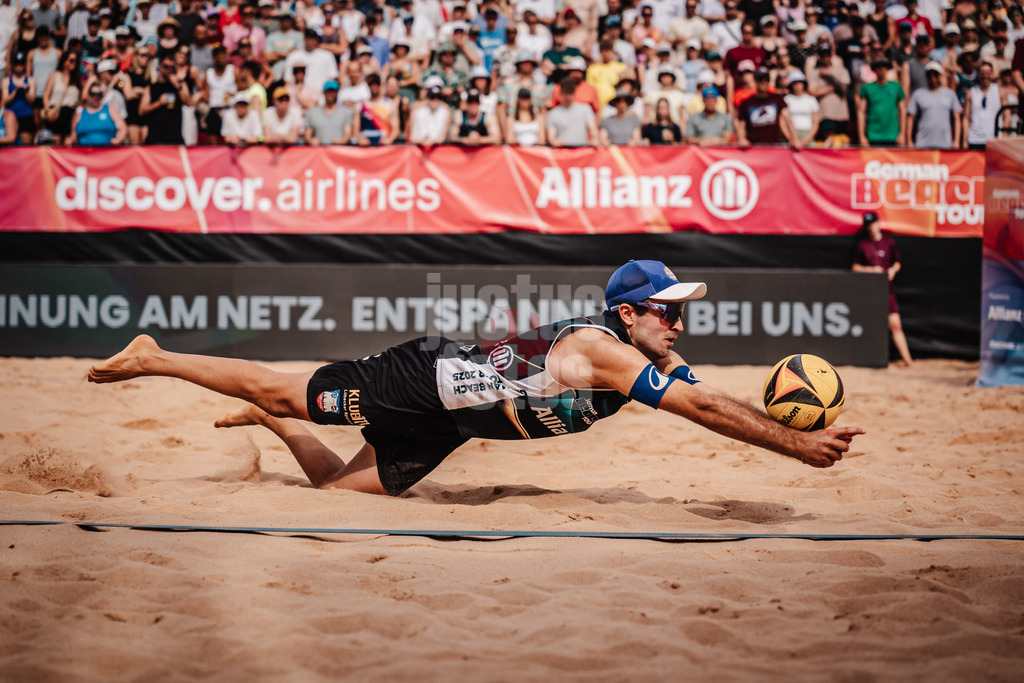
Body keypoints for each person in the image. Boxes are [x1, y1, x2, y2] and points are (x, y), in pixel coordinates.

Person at [87, 259, 863, 497]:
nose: (680, 323)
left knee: (334, 497)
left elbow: (697, 384)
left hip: (451, 424)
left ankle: (281, 431)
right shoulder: (607, 350)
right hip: (420, 380)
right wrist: (796, 449)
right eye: (668, 311)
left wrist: (795, 426)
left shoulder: (648, 352)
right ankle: (155, 354)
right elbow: (700, 406)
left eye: (682, 312)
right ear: (629, 314)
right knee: (279, 385)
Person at [852, 214, 913, 367]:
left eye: (873, 223)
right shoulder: (863, 245)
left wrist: (893, 269)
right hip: (871, 291)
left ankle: (908, 361)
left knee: (895, 325)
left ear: (878, 224)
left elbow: (897, 263)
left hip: (887, 291)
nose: (871, 227)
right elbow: (855, 267)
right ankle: (869, 360)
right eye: (868, 224)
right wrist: (871, 270)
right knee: (870, 327)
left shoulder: (889, 242)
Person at [906, 60, 961, 149]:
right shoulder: (918, 94)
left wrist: (956, 140)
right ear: (926, 76)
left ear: (940, 76)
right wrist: (909, 140)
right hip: (923, 143)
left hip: (945, 144)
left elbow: (956, 118)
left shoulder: (950, 94)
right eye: (929, 75)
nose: (933, 78)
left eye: (935, 75)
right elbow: (910, 118)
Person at [856, 57, 905, 146]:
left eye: (884, 66)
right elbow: (860, 112)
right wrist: (862, 136)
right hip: (873, 136)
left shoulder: (896, 87)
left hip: (893, 136)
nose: (881, 69)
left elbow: (902, 110)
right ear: (874, 69)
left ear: (887, 68)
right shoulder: (867, 88)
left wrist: (902, 133)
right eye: (878, 66)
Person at [962, 61, 1006, 150]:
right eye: (982, 73)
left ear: (992, 74)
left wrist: (1004, 135)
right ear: (978, 74)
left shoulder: (1000, 91)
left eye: (988, 73)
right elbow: (966, 118)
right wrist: (964, 140)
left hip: (995, 138)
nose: (985, 76)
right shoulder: (971, 92)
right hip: (975, 139)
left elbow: (1007, 115)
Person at [546, 76, 599, 147]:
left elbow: (593, 129)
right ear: (561, 93)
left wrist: (595, 139)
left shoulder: (585, 108)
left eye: (570, 93)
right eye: (566, 93)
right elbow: (551, 137)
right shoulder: (553, 113)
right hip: (563, 151)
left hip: (582, 149)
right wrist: (554, 141)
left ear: (574, 93)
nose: (568, 97)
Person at [304, 80, 353, 146]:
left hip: (338, 151)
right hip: (319, 152)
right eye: (328, 91)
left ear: (337, 93)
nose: (330, 94)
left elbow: (348, 134)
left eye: (333, 91)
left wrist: (342, 141)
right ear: (323, 92)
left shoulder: (346, 111)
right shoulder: (312, 112)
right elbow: (307, 134)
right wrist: (311, 141)